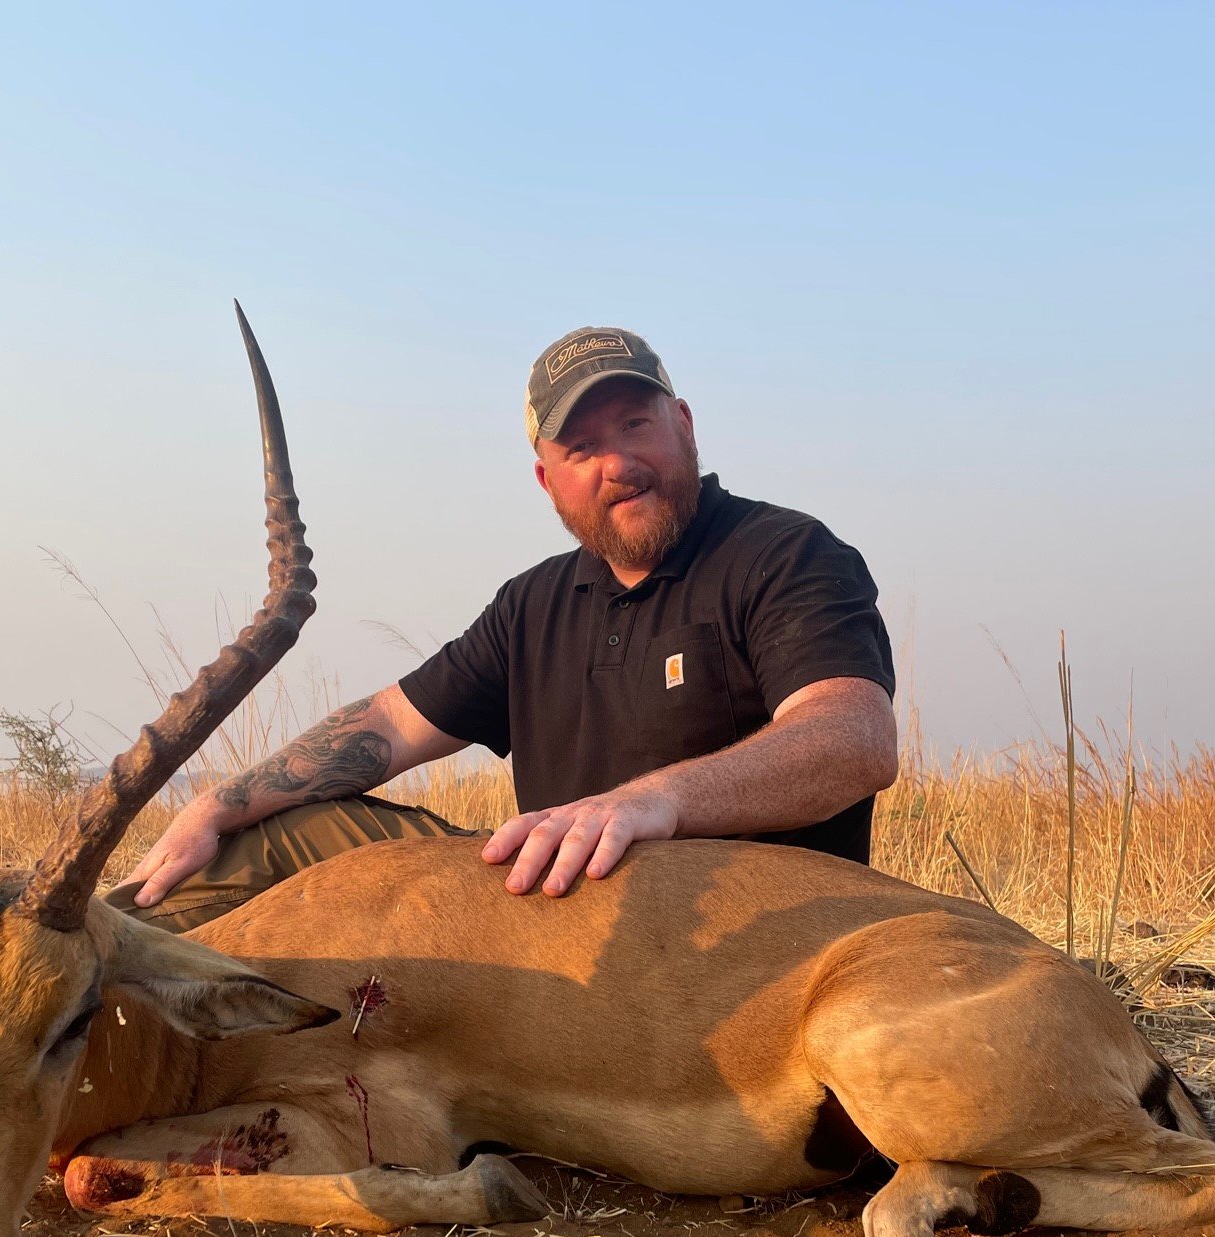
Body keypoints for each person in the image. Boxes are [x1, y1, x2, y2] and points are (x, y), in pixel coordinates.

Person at [118, 325, 898, 930]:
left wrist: (651, 803)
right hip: (546, 912)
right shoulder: (534, 604)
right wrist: (219, 803)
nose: (617, 463)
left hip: (722, 939)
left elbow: (853, 739)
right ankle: (66, 967)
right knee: (275, 837)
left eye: (636, 425)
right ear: (547, 479)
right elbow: (389, 725)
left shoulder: (785, 554)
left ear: (685, 425)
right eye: (583, 447)